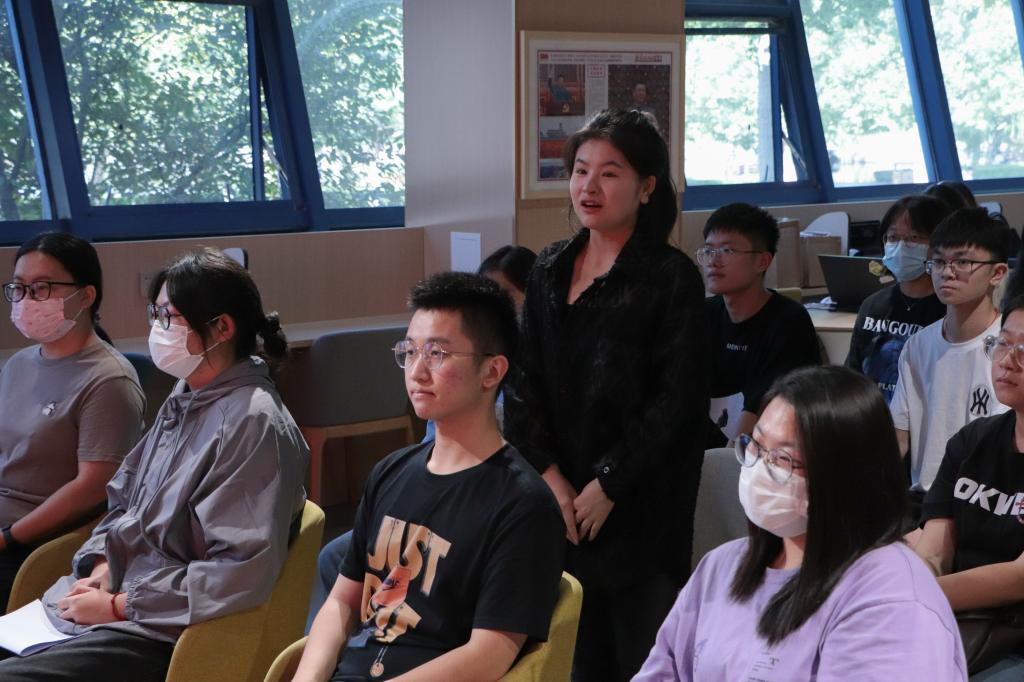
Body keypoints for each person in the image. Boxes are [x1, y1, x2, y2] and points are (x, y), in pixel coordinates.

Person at [0, 247, 308, 682]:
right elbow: (123, 505)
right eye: (155, 315)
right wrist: (103, 566)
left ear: (222, 327)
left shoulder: (252, 422)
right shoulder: (186, 397)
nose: (157, 329)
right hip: (115, 598)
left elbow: (238, 572)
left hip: (158, 629)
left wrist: (119, 605)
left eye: (169, 317)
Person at [504, 109, 710, 681]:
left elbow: (676, 402)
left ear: (646, 187)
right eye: (580, 170)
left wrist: (610, 484)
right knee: (573, 658)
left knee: (642, 659)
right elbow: (522, 385)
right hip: (559, 501)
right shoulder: (549, 267)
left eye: (610, 173)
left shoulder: (671, 277)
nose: (589, 186)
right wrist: (552, 480)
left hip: (641, 506)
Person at [294, 272, 563, 682]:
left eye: (437, 353)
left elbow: (490, 654)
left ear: (492, 371)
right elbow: (341, 603)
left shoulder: (523, 504)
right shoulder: (390, 472)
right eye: (410, 351)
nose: (417, 371)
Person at [635, 366, 966, 681]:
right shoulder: (722, 566)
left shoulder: (891, 598)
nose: (758, 467)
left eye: (782, 458)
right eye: (756, 445)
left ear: (843, 476)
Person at [0, 233, 144, 609]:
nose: (26, 299)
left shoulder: (109, 379)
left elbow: (93, 487)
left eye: (41, 288)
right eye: (19, 288)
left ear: (86, 296)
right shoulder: (18, 364)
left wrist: (8, 536)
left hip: (38, 539)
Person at [914, 293, 1024, 679]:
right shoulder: (973, 440)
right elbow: (935, 548)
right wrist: (915, 589)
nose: (1007, 361)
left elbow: (1019, 578)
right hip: (956, 619)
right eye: (1003, 344)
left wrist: (917, 595)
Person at [891, 208, 1012, 515]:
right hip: (924, 501)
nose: (947, 272)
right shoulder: (917, 345)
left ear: (997, 273)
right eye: (939, 262)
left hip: (988, 504)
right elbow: (898, 438)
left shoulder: (1010, 349)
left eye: (963, 262)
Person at [698, 202, 820, 441]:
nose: (713, 261)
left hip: (767, 448)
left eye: (727, 250)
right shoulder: (704, 313)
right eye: (709, 250)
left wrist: (725, 460)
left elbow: (761, 413)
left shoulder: (788, 322)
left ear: (762, 262)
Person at [845, 195, 952, 402]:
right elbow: (852, 376)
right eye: (893, 237)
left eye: (914, 238)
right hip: (873, 414)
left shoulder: (950, 309)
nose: (901, 246)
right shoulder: (873, 305)